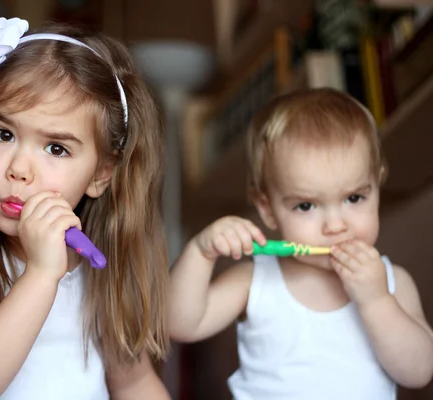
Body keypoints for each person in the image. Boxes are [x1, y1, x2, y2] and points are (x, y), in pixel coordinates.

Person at [0, 16, 170, 399]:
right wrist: (42, 274)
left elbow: (135, 384)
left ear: (101, 174)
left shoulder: (100, 273)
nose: (18, 170)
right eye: (4, 134)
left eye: (56, 148)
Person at [168, 88, 433, 399]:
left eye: (354, 198)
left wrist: (376, 301)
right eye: (306, 206)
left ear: (377, 185)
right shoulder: (255, 280)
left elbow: (419, 372)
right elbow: (181, 325)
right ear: (267, 209)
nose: (336, 226)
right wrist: (201, 253)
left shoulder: (392, 283)